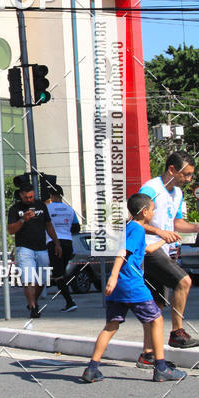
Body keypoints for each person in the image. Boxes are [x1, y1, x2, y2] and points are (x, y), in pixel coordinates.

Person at [82, 194, 186, 383]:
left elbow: (146, 250)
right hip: (132, 285)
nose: (154, 213)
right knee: (157, 319)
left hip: (120, 288)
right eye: (153, 210)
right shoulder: (137, 229)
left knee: (111, 326)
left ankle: (92, 368)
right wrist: (112, 277)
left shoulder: (130, 228)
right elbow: (123, 253)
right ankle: (161, 368)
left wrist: (165, 240)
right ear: (145, 212)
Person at [138, 151, 199, 351]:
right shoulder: (151, 189)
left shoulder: (178, 193)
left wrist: (196, 226)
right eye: (186, 174)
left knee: (156, 306)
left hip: (166, 250)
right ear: (172, 169)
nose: (189, 179)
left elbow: (177, 223)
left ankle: (148, 353)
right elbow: (136, 222)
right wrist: (160, 233)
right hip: (150, 249)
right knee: (184, 281)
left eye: (191, 175)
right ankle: (177, 333)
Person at [8, 183, 61, 318]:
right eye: (26, 197)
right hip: (24, 248)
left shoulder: (41, 206)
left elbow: (48, 225)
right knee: (28, 279)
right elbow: (10, 230)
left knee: (42, 279)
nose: (29, 199)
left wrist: (56, 243)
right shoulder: (15, 209)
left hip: (42, 247)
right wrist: (23, 220)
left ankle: (34, 301)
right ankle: (32, 307)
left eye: (31, 196)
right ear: (21, 196)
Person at [45, 185, 79, 312]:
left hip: (53, 243)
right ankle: (69, 301)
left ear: (51, 196)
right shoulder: (70, 210)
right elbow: (76, 228)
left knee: (57, 274)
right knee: (62, 273)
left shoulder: (47, 208)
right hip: (68, 243)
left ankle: (70, 302)